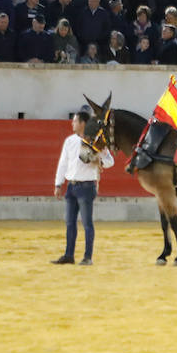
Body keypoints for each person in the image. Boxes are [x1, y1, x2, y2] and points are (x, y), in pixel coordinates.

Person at [51, 109, 115, 265]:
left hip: (86, 187)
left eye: (74, 121)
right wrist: (58, 184)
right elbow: (63, 163)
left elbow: (109, 161)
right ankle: (69, 255)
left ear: (82, 123)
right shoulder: (70, 141)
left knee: (87, 223)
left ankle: (88, 257)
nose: (72, 123)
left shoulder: (96, 140)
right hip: (71, 187)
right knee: (70, 222)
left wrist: (100, 159)